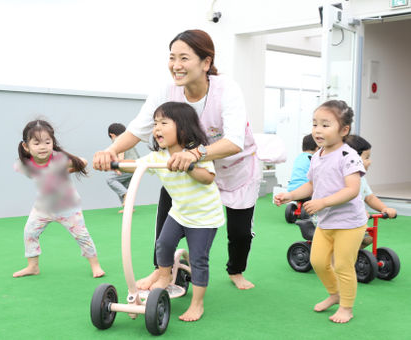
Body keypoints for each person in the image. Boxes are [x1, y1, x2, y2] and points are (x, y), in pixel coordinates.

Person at [93, 29, 261, 290]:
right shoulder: (166, 90)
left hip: (234, 168)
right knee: (166, 220)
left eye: (184, 58)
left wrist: (195, 154)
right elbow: (139, 128)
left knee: (239, 232)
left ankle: (236, 270)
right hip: (185, 169)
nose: (176, 65)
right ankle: (161, 272)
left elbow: (235, 140)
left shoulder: (226, 89)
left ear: (206, 62)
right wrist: (111, 150)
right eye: (172, 58)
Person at [118, 102, 225, 322]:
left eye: (164, 123)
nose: (157, 128)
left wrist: (190, 165)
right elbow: (136, 165)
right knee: (163, 243)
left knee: (198, 260)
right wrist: (112, 164)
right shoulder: (159, 157)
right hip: (179, 212)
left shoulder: (198, 154)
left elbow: (208, 178)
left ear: (183, 129)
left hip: (204, 217)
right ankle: (164, 275)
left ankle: (197, 304)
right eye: (155, 123)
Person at [274, 100, 368, 324]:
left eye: (325, 125)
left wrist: (323, 202)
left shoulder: (349, 156)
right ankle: (334, 294)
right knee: (317, 262)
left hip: (350, 223)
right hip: (326, 222)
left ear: (343, 130)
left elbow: (352, 190)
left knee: (343, 265)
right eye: (315, 124)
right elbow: (311, 185)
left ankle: (346, 306)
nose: (317, 130)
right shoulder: (317, 156)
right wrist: (290, 195)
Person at [12, 119, 104, 278]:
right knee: (29, 232)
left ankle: (95, 266)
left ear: (52, 143)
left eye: (47, 142)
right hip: (43, 207)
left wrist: (65, 170)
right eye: (37, 143)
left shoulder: (58, 158)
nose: (43, 147)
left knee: (82, 236)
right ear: (26, 146)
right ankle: (33, 266)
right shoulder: (26, 164)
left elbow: (83, 161)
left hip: (68, 207)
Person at [345, 134, 397, 247]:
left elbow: (370, 197)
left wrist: (384, 208)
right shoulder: (342, 179)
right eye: (367, 157)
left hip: (355, 222)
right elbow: (342, 199)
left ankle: (352, 256)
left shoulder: (362, 179)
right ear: (353, 158)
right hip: (336, 222)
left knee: (367, 239)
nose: (370, 161)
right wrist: (357, 211)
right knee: (353, 239)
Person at [105, 123, 139, 213]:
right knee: (123, 186)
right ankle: (128, 208)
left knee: (110, 179)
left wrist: (119, 166)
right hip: (136, 167)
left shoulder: (118, 140)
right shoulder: (128, 140)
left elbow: (121, 152)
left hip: (127, 166)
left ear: (111, 135)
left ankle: (126, 195)